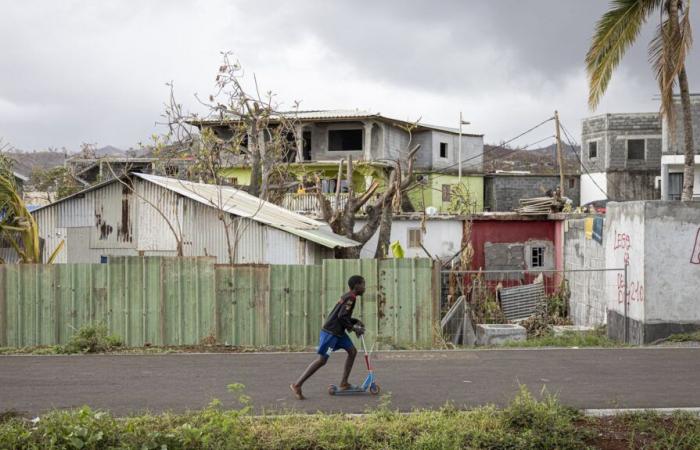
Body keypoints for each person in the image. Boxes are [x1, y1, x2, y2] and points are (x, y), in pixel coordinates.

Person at [290, 275, 366, 400]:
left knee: (352, 351)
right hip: (331, 334)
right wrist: (353, 328)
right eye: (363, 284)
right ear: (356, 285)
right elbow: (341, 317)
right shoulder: (351, 298)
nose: (364, 287)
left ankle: (344, 383)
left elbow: (343, 316)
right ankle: (297, 384)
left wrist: (355, 321)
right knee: (322, 360)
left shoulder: (348, 296)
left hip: (338, 333)